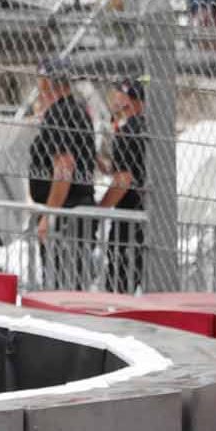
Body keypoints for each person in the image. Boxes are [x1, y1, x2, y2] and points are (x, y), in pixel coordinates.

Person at [28, 57, 97, 290]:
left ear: (46, 82)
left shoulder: (58, 114)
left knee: (61, 284)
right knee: (72, 281)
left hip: (65, 212)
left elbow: (64, 168)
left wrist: (49, 214)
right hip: (75, 209)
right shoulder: (76, 109)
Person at [99, 76, 147, 294]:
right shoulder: (149, 127)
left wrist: (99, 209)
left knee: (118, 283)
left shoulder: (127, 132)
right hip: (148, 212)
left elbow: (124, 179)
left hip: (129, 218)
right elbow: (132, 168)